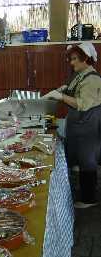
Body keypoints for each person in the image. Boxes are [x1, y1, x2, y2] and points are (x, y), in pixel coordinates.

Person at [43, 42, 101, 209]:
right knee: (82, 160)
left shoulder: (92, 80)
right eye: (71, 59)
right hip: (80, 125)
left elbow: (82, 103)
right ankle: (81, 189)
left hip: (89, 126)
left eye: (75, 59)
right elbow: (73, 90)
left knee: (88, 161)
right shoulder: (82, 75)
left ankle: (89, 199)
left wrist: (61, 97)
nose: (71, 62)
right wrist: (64, 89)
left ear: (86, 59)